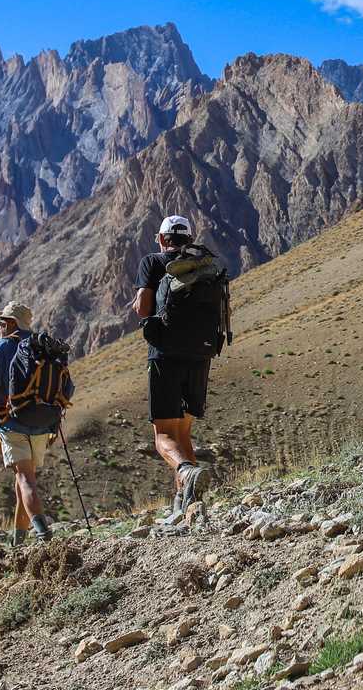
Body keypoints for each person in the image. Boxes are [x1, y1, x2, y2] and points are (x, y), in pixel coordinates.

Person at [131, 214, 231, 514]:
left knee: (163, 435)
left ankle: (186, 472)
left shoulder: (153, 262)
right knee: (183, 433)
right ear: (190, 238)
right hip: (201, 355)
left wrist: (139, 302)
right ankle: (184, 504)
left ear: (162, 239)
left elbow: (144, 309)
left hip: (165, 355)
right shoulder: (206, 265)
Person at [0, 301, 72, 544]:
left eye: (1, 323)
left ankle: (43, 534)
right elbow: (69, 386)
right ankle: (18, 540)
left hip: (11, 423)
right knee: (23, 481)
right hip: (43, 424)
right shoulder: (44, 348)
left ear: (11, 323)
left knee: (25, 479)